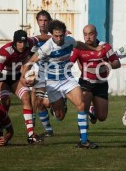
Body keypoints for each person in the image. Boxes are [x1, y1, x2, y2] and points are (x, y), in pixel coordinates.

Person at [21, 19, 102, 149]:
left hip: (67, 78)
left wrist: (94, 48)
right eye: (55, 36)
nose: (58, 39)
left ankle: (84, 140)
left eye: (61, 35)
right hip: (52, 83)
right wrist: (23, 77)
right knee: (60, 116)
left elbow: (79, 45)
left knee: (81, 105)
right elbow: (30, 61)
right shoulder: (46, 47)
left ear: (65, 33)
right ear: (51, 35)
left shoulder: (69, 40)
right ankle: (61, 104)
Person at [0, 29, 50, 144]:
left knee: (26, 98)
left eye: (23, 42)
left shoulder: (29, 43)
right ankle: (0, 134)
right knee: (6, 102)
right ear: (14, 42)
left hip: (15, 77)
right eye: (19, 43)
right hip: (2, 78)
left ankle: (31, 136)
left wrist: (55, 38)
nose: (22, 45)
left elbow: (40, 37)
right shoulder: (6, 51)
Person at [70, 24, 121, 124]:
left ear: (96, 34)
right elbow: (68, 64)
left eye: (91, 34)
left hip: (101, 84)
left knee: (102, 117)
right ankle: (84, 137)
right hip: (86, 83)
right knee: (83, 109)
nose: (88, 37)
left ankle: (92, 109)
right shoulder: (78, 48)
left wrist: (108, 64)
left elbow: (117, 63)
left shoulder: (105, 46)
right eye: (85, 34)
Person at [30, 10, 54, 137]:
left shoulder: (57, 35)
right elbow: (30, 56)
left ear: (49, 21)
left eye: (45, 20)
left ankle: (60, 105)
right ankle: (48, 130)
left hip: (56, 75)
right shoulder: (34, 39)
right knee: (38, 100)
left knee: (47, 104)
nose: (43, 23)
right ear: (37, 22)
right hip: (42, 75)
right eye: (40, 20)